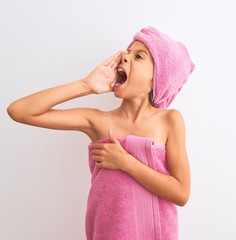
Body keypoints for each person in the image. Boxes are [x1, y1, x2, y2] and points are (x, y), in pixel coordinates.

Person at [7, 26, 195, 240]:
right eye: (127, 52)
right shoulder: (99, 121)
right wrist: (86, 85)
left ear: (157, 79)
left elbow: (181, 192)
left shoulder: (169, 120)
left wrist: (125, 161)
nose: (125, 57)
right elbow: (19, 111)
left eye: (139, 56)